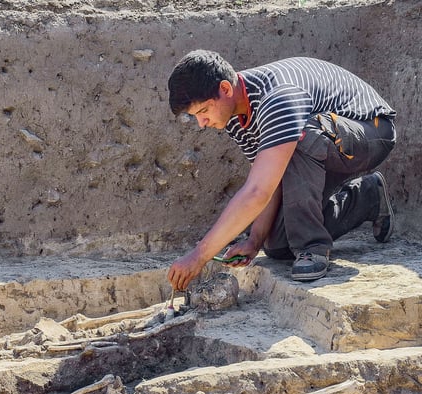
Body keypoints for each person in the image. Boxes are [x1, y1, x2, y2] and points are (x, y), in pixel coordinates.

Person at [166, 50, 397, 290]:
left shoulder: (278, 98)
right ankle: (367, 197)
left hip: (371, 131)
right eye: (195, 116)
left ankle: (312, 246)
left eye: (203, 111)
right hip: (326, 142)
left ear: (225, 89)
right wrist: (255, 241)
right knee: (279, 245)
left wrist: (199, 256)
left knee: (299, 136)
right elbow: (268, 179)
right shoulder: (235, 116)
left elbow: (257, 191)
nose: (202, 123)